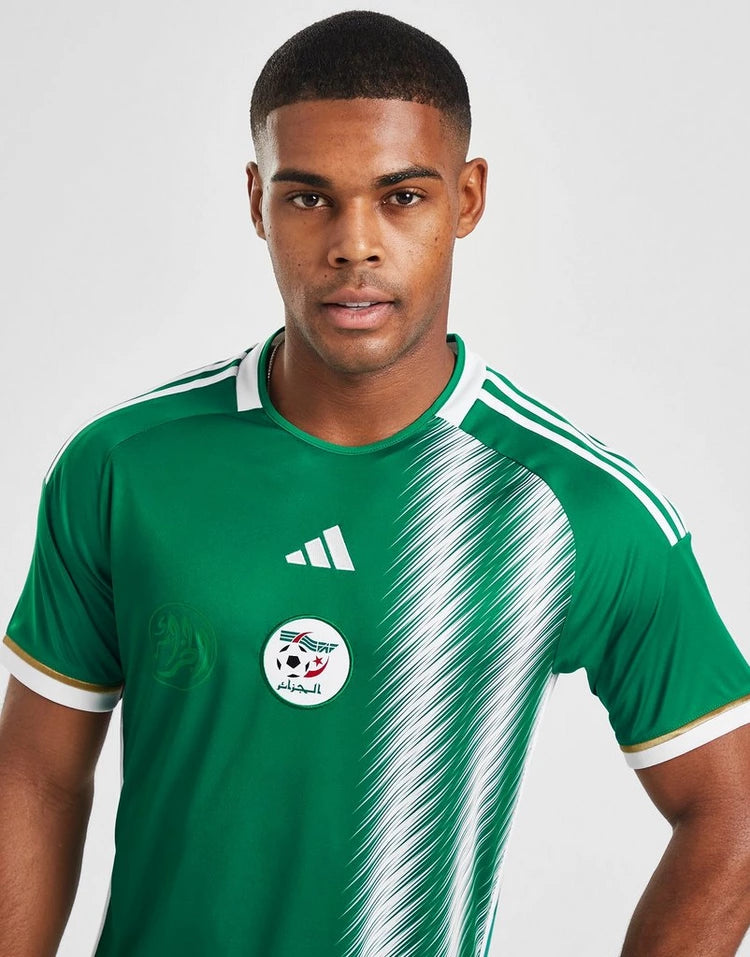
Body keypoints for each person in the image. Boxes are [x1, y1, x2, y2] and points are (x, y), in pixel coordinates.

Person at [1, 9, 749, 956]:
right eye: (309, 198)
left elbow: (732, 810)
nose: (354, 244)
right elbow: (36, 776)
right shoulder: (125, 464)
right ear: (257, 201)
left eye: (401, 196)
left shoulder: (572, 506)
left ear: (466, 199)